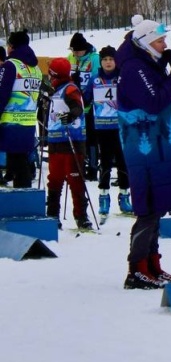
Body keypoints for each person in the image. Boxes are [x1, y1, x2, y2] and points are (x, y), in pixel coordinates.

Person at [116, 19, 171, 289]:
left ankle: (152, 265)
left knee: (157, 206)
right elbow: (154, 101)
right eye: (160, 42)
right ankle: (137, 268)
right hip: (143, 146)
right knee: (148, 207)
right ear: (146, 43)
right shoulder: (135, 68)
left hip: (158, 144)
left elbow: (164, 97)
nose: (165, 45)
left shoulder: (147, 65)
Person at [84, 46, 132, 223]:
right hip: (102, 127)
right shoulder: (95, 79)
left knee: (122, 161)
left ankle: (124, 196)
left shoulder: (122, 77)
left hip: (121, 127)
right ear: (101, 61)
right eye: (104, 59)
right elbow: (86, 98)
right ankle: (103, 198)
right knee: (104, 162)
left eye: (111, 59)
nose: (108, 62)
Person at [44, 57, 92, 230]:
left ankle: (81, 216)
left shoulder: (70, 88)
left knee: (75, 179)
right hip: (56, 142)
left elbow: (78, 107)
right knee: (54, 179)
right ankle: (52, 215)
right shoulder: (55, 91)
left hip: (72, 141)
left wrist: (70, 116)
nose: (49, 77)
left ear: (55, 75)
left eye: (50, 74)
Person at [0, 30, 42, 188]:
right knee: (20, 161)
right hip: (29, 121)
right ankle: (22, 196)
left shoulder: (11, 65)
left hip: (11, 121)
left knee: (17, 163)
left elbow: (2, 93)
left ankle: (23, 200)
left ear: (11, 46)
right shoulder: (35, 68)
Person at [68, 32, 101, 181]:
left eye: (77, 51)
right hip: (73, 106)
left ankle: (93, 167)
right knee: (74, 136)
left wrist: (87, 97)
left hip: (89, 106)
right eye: (73, 51)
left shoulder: (94, 58)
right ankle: (77, 166)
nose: (75, 54)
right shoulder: (70, 58)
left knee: (91, 138)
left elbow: (96, 79)